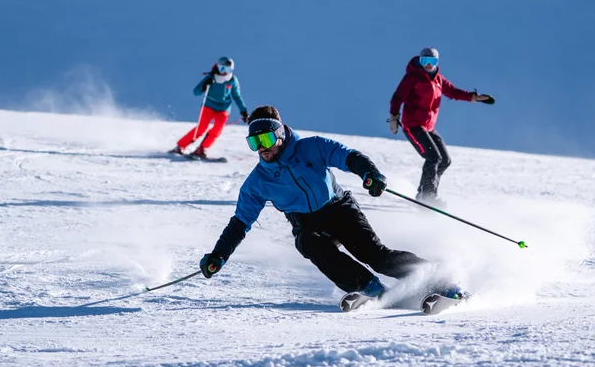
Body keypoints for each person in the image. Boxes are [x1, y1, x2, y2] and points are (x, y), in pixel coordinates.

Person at [198, 106, 462, 309]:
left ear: (279, 135)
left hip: (339, 210)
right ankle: (371, 289)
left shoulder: (310, 147)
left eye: (265, 140)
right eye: (254, 143)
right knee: (307, 243)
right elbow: (240, 222)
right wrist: (218, 255)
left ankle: (442, 283)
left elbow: (347, 156)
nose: (261, 149)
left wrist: (370, 174)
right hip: (307, 223)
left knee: (375, 255)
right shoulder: (258, 181)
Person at [389, 47, 495, 200]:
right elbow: (397, 97)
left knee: (445, 160)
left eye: (432, 61)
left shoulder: (438, 79)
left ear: (437, 62)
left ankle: (423, 194)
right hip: (413, 125)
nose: (428, 65)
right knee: (433, 158)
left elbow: (453, 92)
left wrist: (475, 98)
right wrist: (394, 117)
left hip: (429, 127)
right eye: (424, 61)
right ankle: (428, 196)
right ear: (420, 60)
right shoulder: (412, 77)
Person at [172, 56, 249, 160]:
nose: (225, 72)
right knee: (201, 128)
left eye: (228, 69)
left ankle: (202, 149)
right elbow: (196, 92)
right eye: (222, 69)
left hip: (223, 109)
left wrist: (243, 111)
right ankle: (180, 146)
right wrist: (204, 86)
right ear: (218, 67)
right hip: (208, 106)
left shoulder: (232, 80)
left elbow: (237, 96)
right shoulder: (211, 78)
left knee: (217, 129)